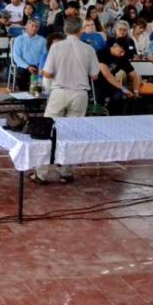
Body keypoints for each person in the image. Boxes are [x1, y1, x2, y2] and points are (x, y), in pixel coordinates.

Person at [35, 18, 99, 183]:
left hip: (59, 92)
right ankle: (66, 172)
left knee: (47, 131)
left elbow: (47, 73)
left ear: (65, 30)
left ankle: (41, 173)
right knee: (72, 134)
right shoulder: (89, 49)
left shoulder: (56, 47)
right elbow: (94, 75)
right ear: (81, 30)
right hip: (80, 94)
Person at [12, 19, 47, 93]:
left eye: (37, 26)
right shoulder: (19, 39)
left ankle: (36, 100)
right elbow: (16, 57)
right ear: (27, 27)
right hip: (24, 66)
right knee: (22, 77)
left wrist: (41, 67)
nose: (34, 28)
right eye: (32, 26)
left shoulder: (42, 40)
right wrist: (27, 67)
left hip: (38, 67)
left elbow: (44, 56)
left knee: (40, 86)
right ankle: (26, 100)